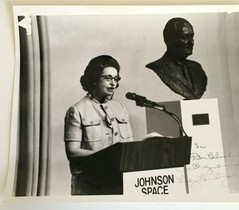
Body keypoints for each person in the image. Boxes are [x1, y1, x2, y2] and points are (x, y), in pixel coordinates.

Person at [64, 55, 133, 195]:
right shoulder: (77, 110)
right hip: (90, 183)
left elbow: (130, 146)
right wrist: (108, 156)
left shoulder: (120, 108)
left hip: (120, 180)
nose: (113, 83)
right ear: (94, 79)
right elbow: (73, 152)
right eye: (108, 78)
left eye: (116, 79)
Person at [146, 17, 208, 100]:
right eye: (185, 37)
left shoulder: (197, 68)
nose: (191, 42)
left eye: (192, 37)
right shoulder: (159, 67)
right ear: (169, 40)